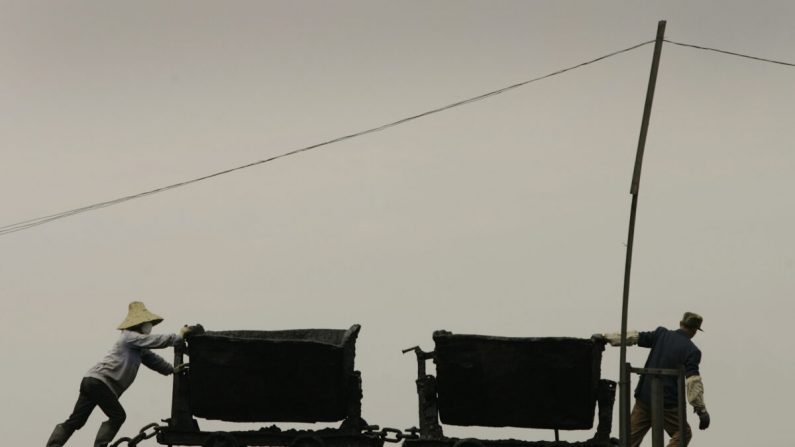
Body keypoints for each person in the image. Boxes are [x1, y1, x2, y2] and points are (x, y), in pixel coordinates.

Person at [46, 301, 192, 447]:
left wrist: (171, 369)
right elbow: (153, 340)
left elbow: (154, 361)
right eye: (148, 323)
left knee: (77, 420)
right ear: (139, 324)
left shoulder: (138, 348)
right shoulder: (129, 337)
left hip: (91, 381)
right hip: (100, 383)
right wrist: (178, 337)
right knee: (118, 416)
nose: (150, 327)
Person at [596, 312, 710, 447]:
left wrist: (605, 338)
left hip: (644, 397)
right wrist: (700, 410)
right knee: (684, 433)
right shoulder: (692, 351)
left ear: (681, 324)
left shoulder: (661, 335)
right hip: (667, 404)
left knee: (628, 442)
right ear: (694, 331)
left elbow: (634, 337)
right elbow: (693, 381)